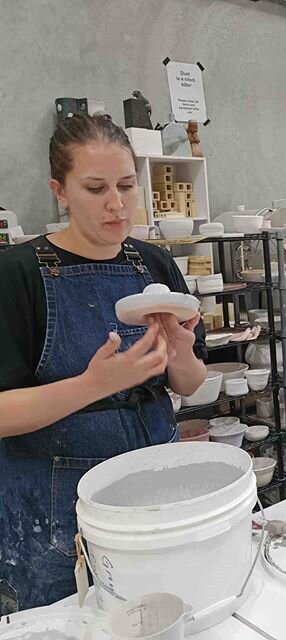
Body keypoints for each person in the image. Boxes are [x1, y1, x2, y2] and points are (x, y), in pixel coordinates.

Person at [0, 113, 208, 613]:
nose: (116, 205)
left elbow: (191, 383)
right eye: (95, 188)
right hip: (57, 510)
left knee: (169, 610)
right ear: (61, 191)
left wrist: (180, 351)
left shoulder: (153, 263)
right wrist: (95, 384)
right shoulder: (17, 273)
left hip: (157, 481)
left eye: (126, 185)